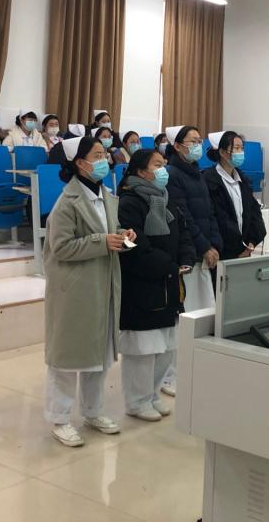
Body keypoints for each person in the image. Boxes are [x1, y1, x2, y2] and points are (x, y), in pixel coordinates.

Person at [43, 135, 136, 447]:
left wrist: (122, 236)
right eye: (97, 155)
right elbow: (61, 247)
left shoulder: (106, 195)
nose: (104, 159)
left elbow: (107, 232)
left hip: (102, 284)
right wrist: (103, 242)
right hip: (75, 290)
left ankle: (93, 411)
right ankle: (59, 418)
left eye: (104, 153)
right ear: (80, 163)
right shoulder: (66, 203)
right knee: (67, 357)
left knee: (99, 354)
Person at [117, 148, 195, 421]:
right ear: (141, 171)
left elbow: (183, 233)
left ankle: (151, 395)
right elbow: (133, 245)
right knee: (143, 348)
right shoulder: (129, 202)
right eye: (157, 165)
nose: (163, 170)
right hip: (142, 284)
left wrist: (186, 258)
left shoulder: (166, 198)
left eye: (164, 164)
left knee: (166, 346)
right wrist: (168, 265)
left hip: (169, 282)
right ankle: (136, 401)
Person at [162, 124, 223, 397]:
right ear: (177, 146)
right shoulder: (172, 175)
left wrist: (214, 244)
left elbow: (209, 213)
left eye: (200, 141)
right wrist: (204, 246)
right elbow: (183, 216)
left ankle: (198, 368)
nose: (198, 146)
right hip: (187, 256)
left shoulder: (197, 173)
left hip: (204, 254)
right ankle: (171, 375)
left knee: (204, 313)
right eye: (192, 141)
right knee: (183, 318)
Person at [203, 131, 267, 262]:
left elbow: (254, 212)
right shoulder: (209, 180)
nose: (240, 152)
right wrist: (239, 246)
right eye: (236, 148)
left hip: (244, 249)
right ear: (222, 152)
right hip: (222, 250)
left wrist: (251, 242)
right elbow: (219, 218)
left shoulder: (243, 180)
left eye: (242, 148)